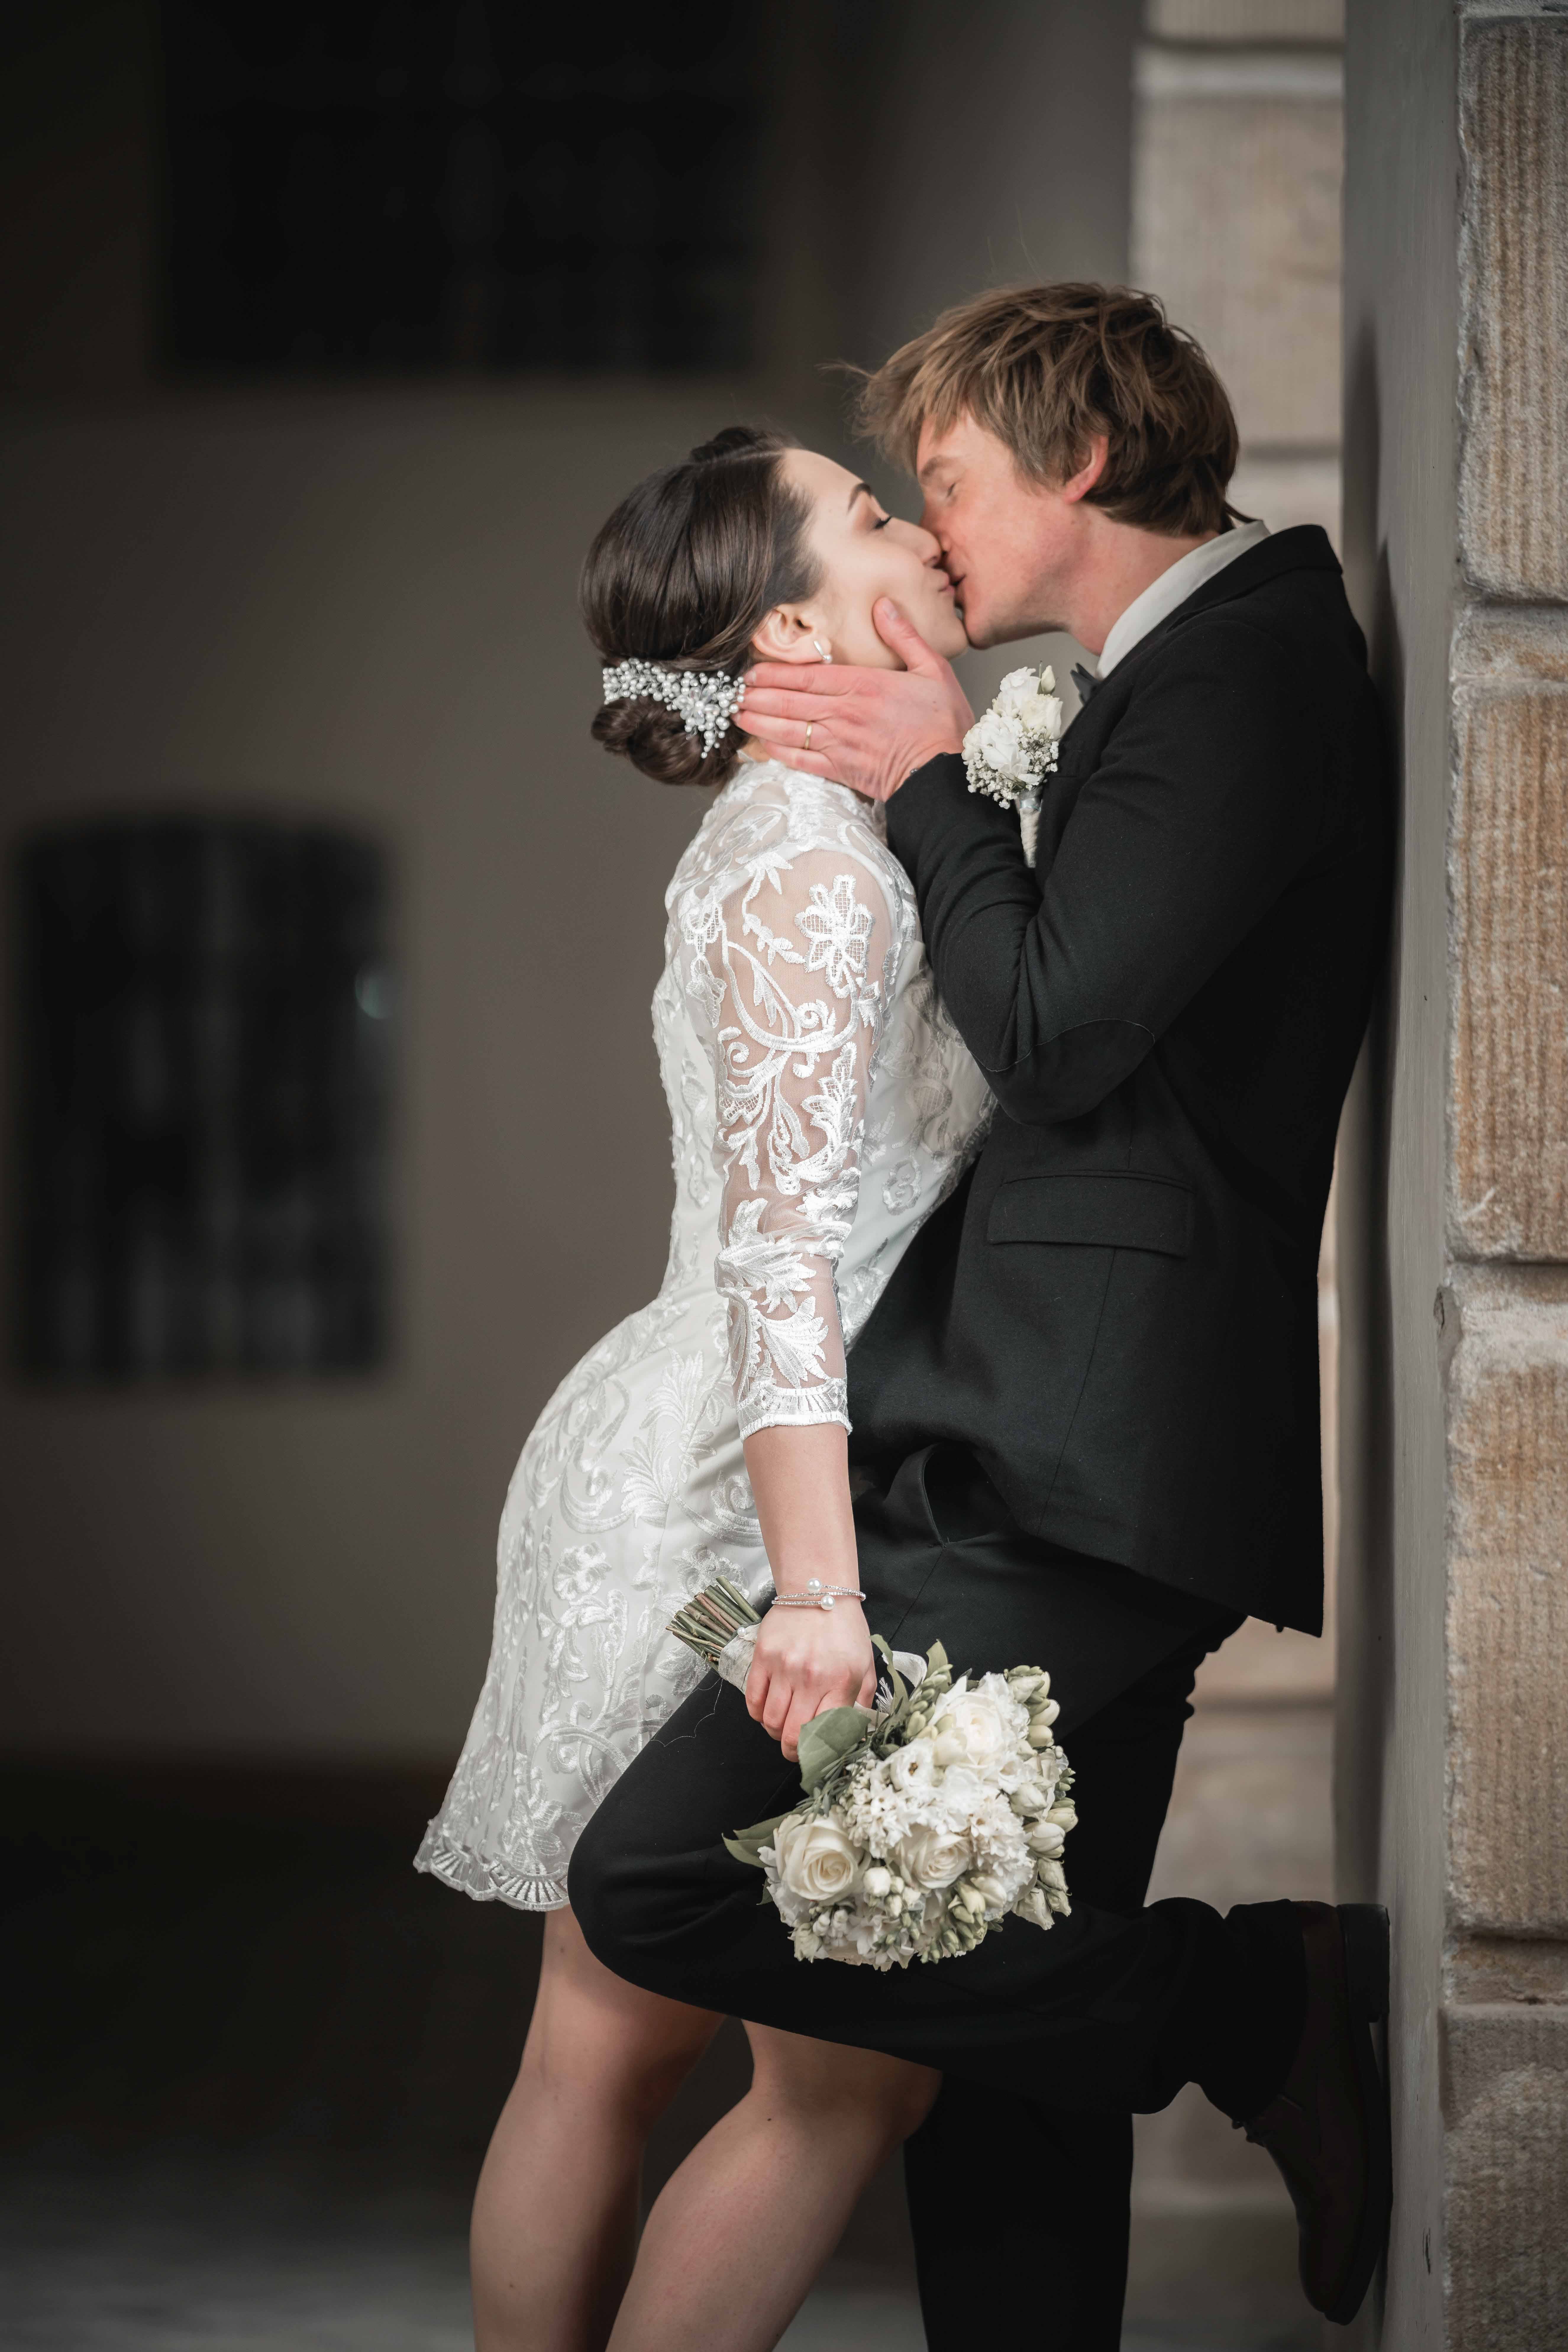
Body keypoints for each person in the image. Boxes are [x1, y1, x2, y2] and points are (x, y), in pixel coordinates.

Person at [568, 284, 1396, 2347]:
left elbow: (1050, 1035)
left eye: (941, 481)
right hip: (1055, 1428)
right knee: (1008, 2101)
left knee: (655, 1883)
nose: (931, 534)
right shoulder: (1178, 666)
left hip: (1080, 1446)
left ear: (1078, 467)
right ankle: (1218, 2004)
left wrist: (938, 775)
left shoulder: (1247, 661)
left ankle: (1244, 1992)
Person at [415, 424, 994, 2351]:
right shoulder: (803, 868)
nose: (912, 524)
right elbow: (783, 1257)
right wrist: (815, 1592)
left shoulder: (849, 819)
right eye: (864, 509)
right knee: (819, 2078)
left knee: (623, 2047)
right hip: (723, 1494)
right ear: (783, 616)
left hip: (756, 1449)